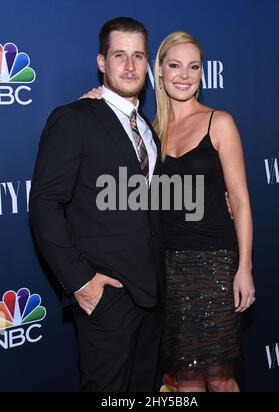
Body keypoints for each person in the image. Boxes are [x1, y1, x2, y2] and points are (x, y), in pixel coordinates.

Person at [81, 31, 255, 392]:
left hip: (216, 266)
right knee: (187, 376)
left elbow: (239, 201)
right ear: (158, 71)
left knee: (221, 378)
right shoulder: (149, 130)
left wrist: (244, 269)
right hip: (166, 271)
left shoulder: (219, 122)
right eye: (174, 65)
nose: (184, 74)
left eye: (193, 66)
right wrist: (95, 102)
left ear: (202, 73)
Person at [29, 17, 165, 392]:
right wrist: (81, 283)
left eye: (138, 56)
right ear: (102, 62)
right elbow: (44, 205)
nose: (130, 65)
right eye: (119, 55)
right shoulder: (74, 119)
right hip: (107, 300)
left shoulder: (148, 131)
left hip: (152, 296)